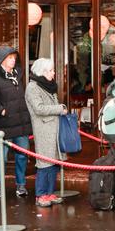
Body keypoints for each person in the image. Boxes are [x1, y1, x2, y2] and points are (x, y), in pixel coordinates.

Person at [25, 57, 67, 208]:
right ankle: (40, 194)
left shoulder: (49, 86)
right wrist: (59, 109)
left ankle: (49, 193)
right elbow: (39, 109)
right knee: (44, 164)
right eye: (50, 70)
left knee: (54, 163)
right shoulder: (32, 87)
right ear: (42, 72)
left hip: (54, 130)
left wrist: (59, 109)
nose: (54, 73)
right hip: (43, 130)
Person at [0, 47, 32, 199]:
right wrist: (0, 110)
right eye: (10, 58)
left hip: (21, 123)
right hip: (4, 124)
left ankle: (21, 185)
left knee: (22, 156)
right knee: (1, 157)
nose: (13, 60)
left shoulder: (17, 75)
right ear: (1, 60)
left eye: (14, 58)